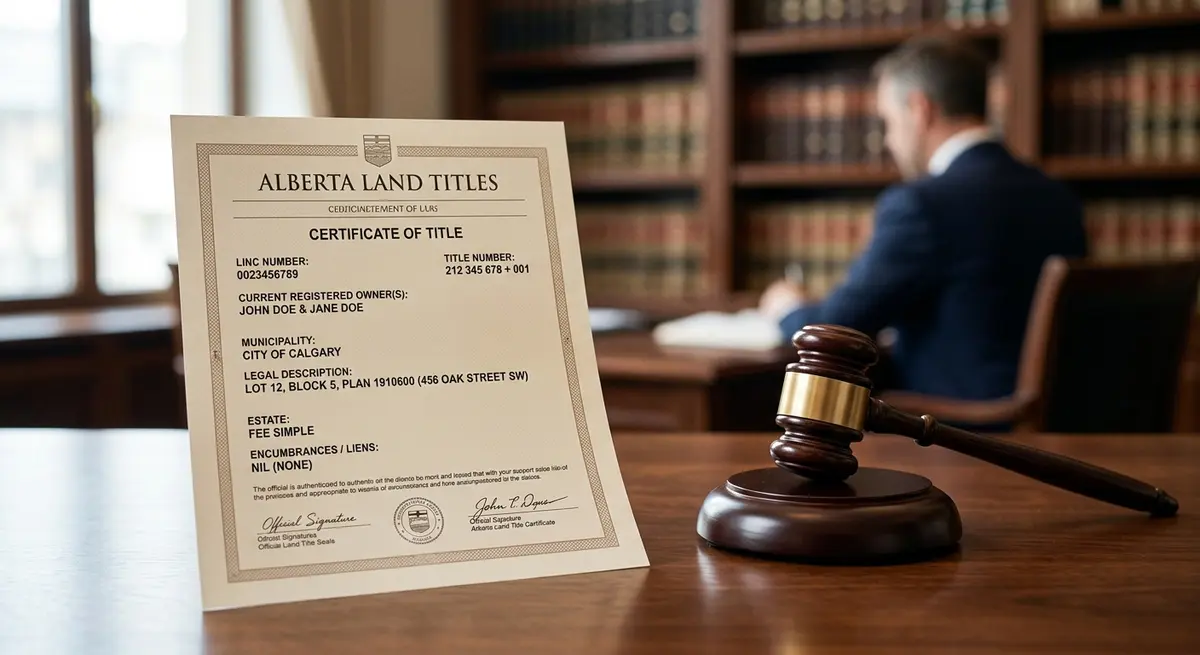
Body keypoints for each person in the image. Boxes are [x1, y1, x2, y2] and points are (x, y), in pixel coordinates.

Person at [759, 36, 1088, 403]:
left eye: (888, 121)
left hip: (958, 438)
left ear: (919, 110)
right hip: (1054, 432)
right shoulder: (1058, 197)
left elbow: (835, 331)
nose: (888, 141)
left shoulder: (921, 204)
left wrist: (787, 307)